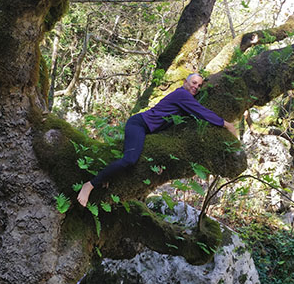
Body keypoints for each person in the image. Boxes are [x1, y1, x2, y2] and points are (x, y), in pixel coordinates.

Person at [77, 73, 237, 207]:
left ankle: (107, 177)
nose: (196, 87)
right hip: (138, 124)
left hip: (146, 129)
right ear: (185, 82)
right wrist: (226, 124)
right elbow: (202, 112)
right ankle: (89, 185)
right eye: (194, 82)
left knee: (133, 160)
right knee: (130, 160)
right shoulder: (182, 94)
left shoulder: (185, 99)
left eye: (199, 85)